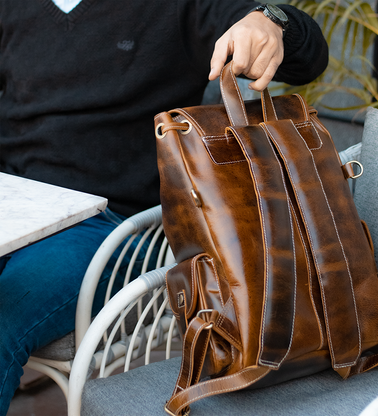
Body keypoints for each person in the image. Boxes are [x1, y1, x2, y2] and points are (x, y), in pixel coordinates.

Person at [0, 0, 328, 413]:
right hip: (15, 203)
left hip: (113, 226)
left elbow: (309, 58)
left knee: (3, 313)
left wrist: (269, 21)